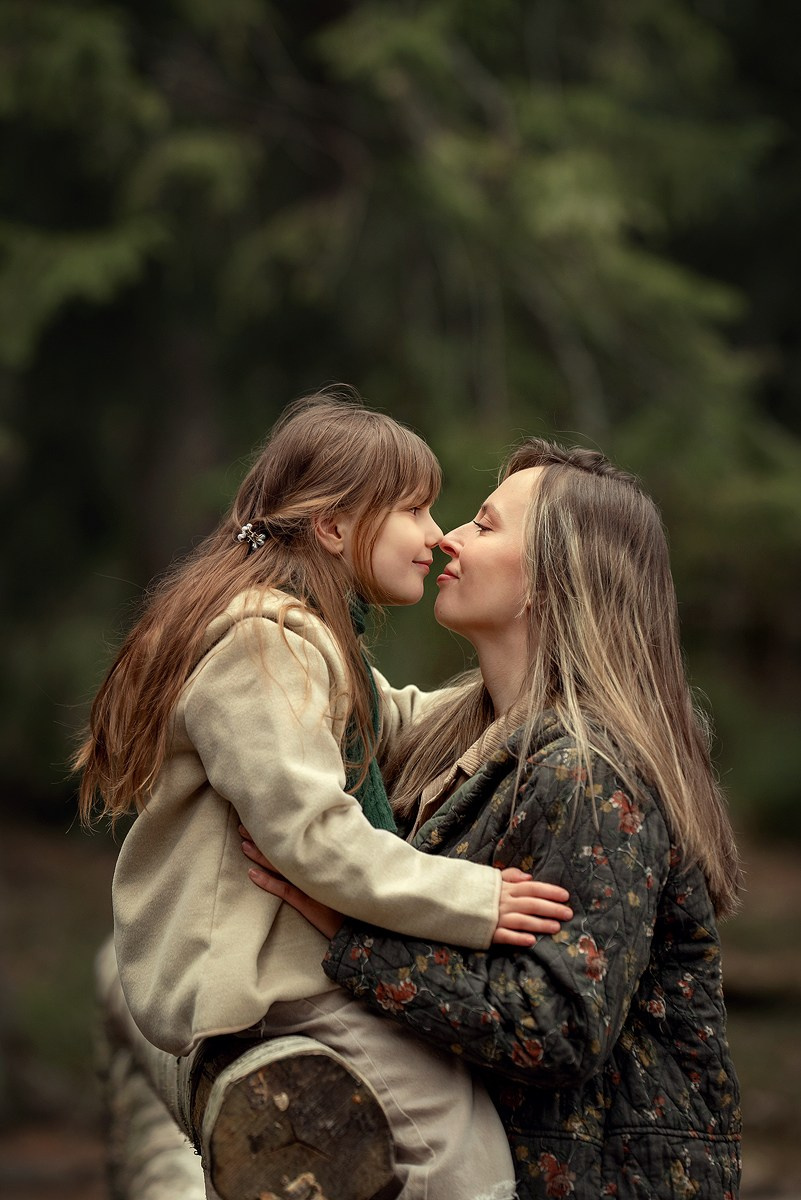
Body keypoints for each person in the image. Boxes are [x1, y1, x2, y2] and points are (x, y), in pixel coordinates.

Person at [76, 389, 573, 1200]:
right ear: (336, 528)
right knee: (460, 1158)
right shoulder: (262, 642)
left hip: (288, 979)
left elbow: (394, 723)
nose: (434, 536)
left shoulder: (307, 634)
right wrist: (472, 899)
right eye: (411, 509)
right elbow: (310, 835)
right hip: (266, 992)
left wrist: (534, 675)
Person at [244, 437, 743, 1199]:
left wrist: (345, 930)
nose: (446, 538)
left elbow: (555, 1024)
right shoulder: (455, 744)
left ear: (551, 575)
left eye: (482, 525)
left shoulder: (587, 773)